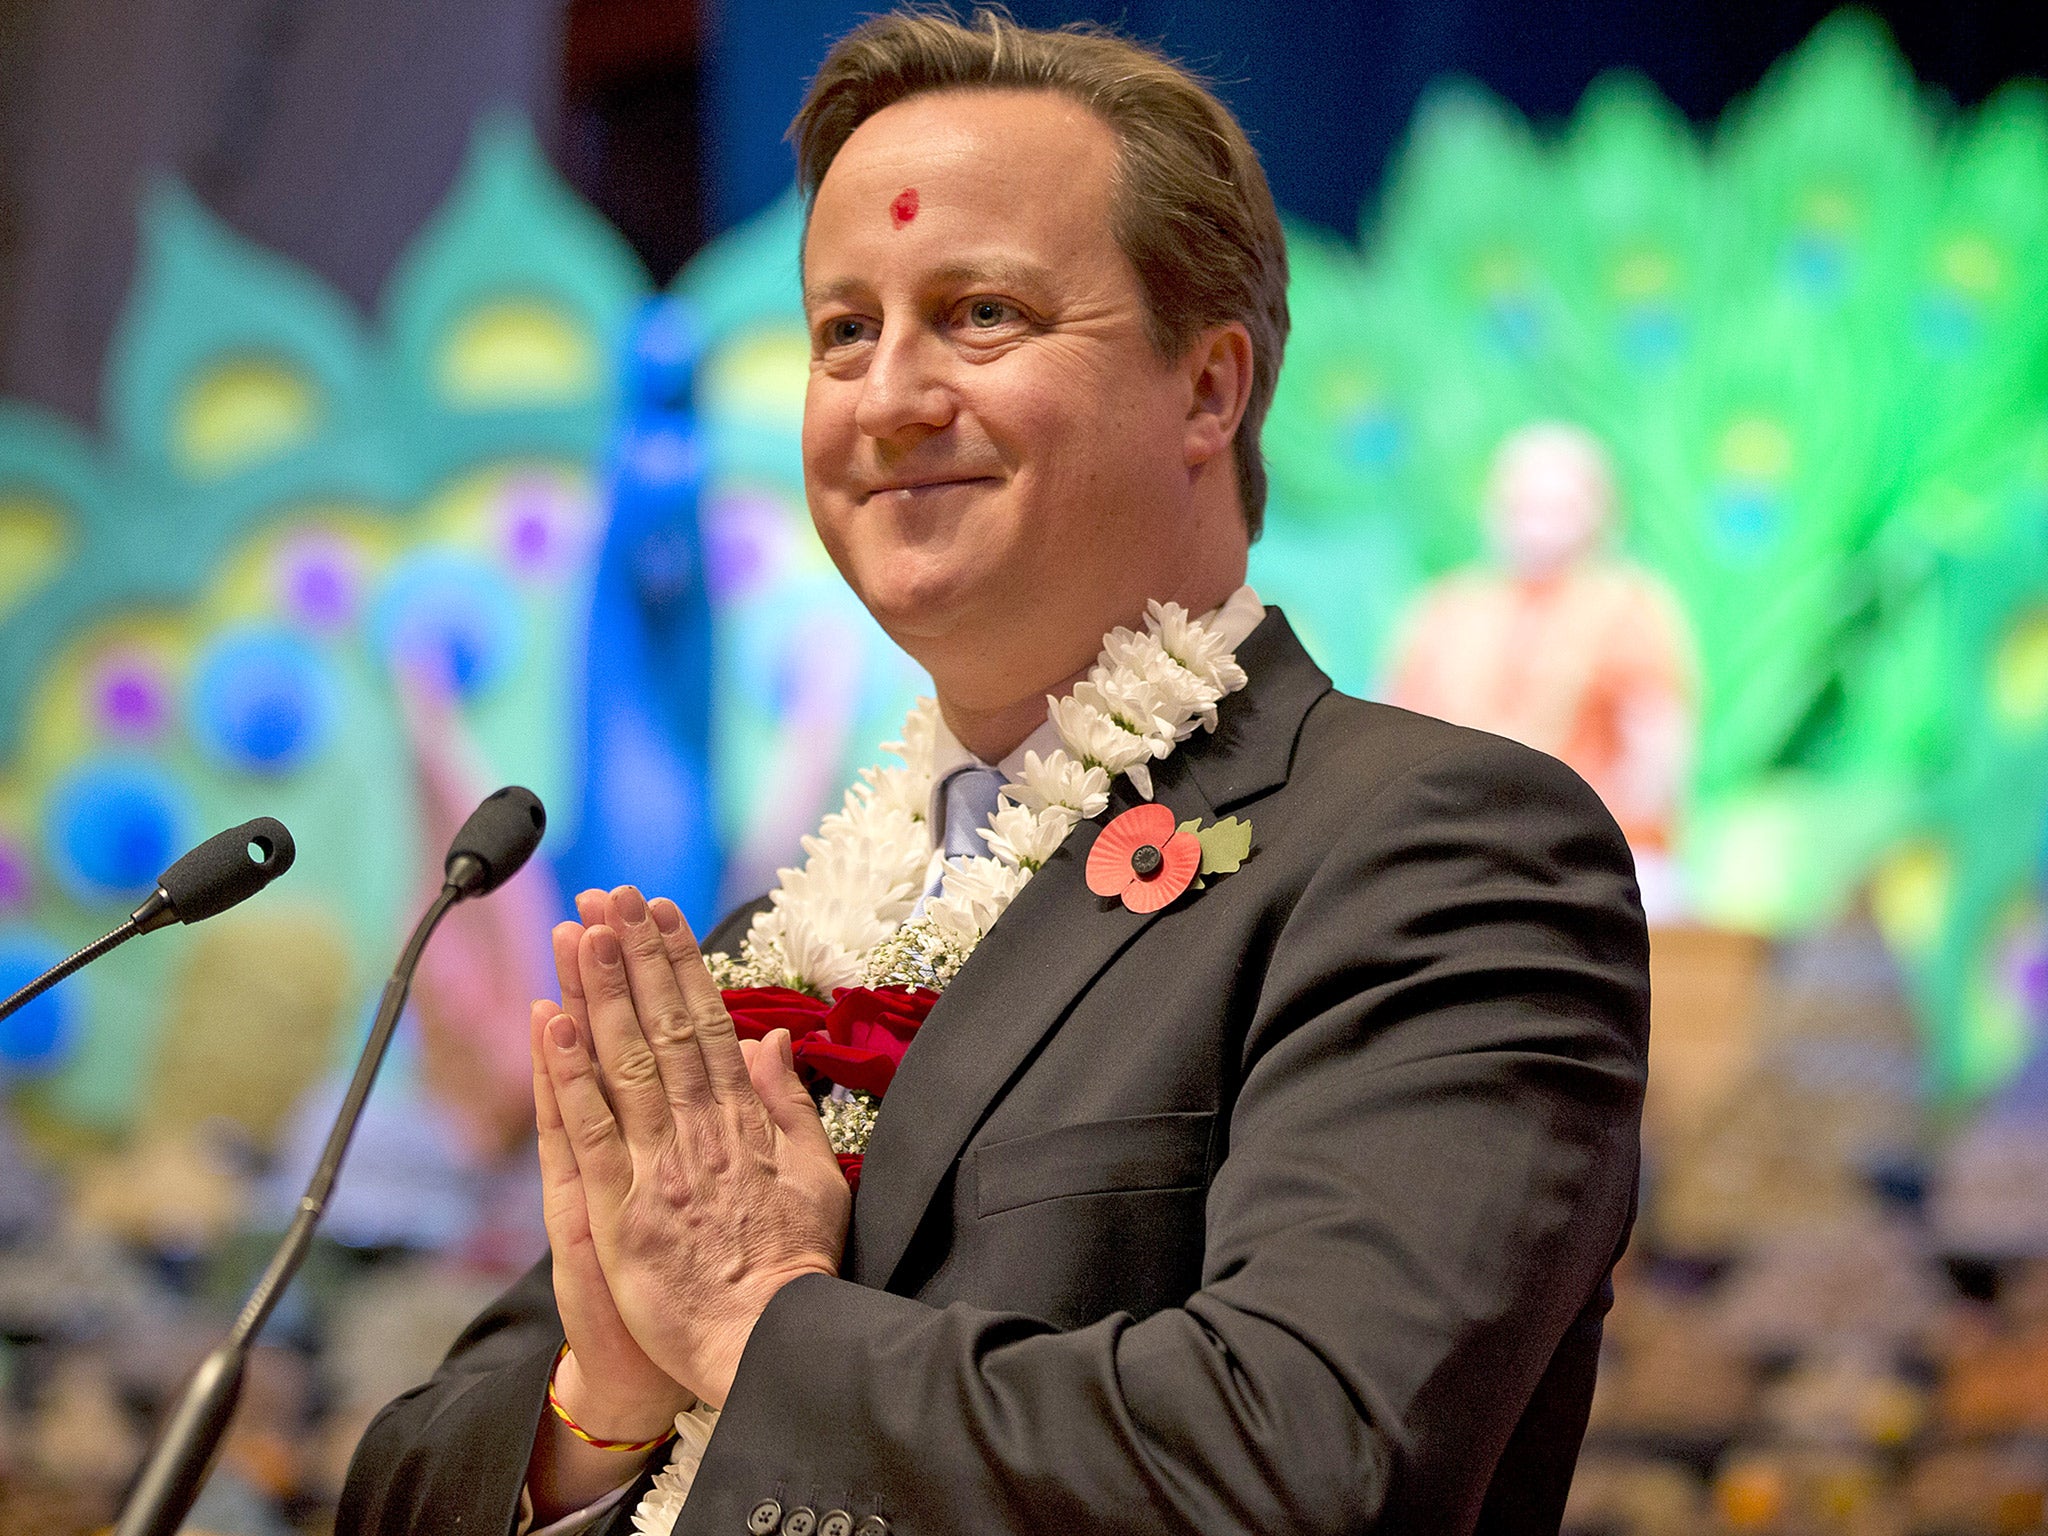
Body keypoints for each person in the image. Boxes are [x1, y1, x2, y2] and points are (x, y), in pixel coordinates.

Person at [339, 12, 1649, 1535]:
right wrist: (607, 1409)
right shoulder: (771, 946)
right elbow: (398, 1487)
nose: (889, 397)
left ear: (1209, 390)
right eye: (843, 331)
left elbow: (1305, 1465)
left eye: (980, 315)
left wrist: (757, 1336)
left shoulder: (1432, 851)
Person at [1387, 421, 1696, 920]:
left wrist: (1570, 837)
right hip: (1456, 846)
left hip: (1592, 852)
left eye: (1560, 507)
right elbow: (1394, 743)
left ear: (1601, 513)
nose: (1538, 524)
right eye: (1523, 506)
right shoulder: (1446, 609)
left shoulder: (1630, 609)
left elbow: (1657, 758)